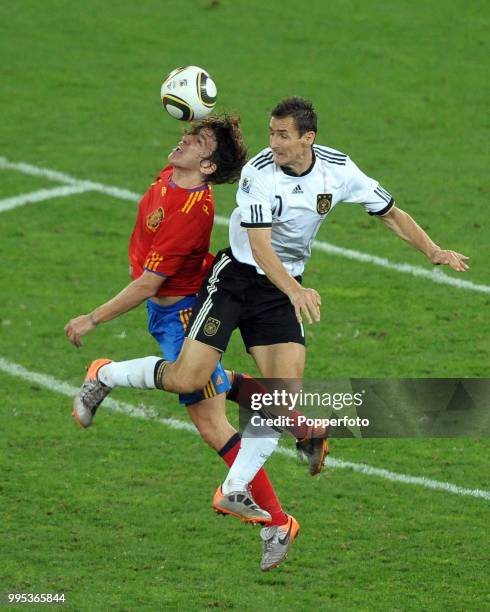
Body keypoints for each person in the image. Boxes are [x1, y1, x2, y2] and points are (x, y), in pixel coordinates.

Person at [73, 96, 470, 564]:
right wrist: (295, 291)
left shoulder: (339, 171)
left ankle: (237, 489)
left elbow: (391, 214)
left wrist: (434, 251)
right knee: (186, 378)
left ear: (308, 139)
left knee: (281, 402)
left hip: (281, 291)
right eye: (271, 133)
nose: (274, 143)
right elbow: (259, 246)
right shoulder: (258, 173)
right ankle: (105, 373)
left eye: (283, 135)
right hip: (236, 280)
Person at [65, 114, 304, 571]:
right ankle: (294, 424)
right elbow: (198, 141)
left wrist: (91, 318)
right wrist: (200, 117)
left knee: (211, 422)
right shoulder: (171, 175)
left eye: (194, 141)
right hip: (172, 312)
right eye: (186, 135)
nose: (183, 141)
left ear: (208, 166)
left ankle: (277, 522)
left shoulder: (190, 215)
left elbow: (146, 286)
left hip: (183, 316)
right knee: (213, 385)